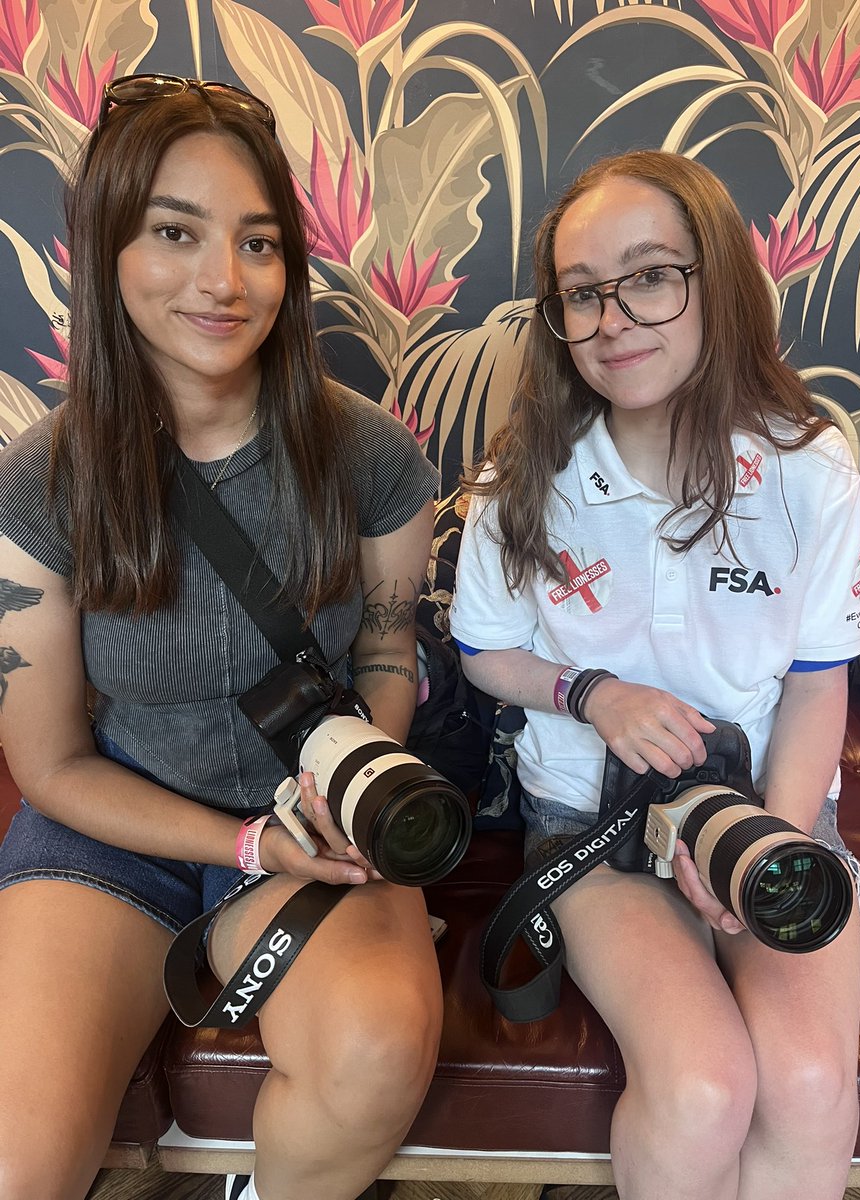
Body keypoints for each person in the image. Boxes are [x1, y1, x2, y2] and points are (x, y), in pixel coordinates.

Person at [0, 76, 442, 1200]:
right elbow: (48, 763)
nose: (223, 281)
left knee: (378, 1048)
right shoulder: (39, 488)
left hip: (315, 812)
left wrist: (349, 788)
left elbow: (389, 657)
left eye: (257, 241)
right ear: (107, 250)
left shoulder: (373, 457)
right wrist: (240, 847)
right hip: (120, 829)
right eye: (175, 233)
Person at [450, 150, 860, 1200]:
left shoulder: (810, 466)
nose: (612, 318)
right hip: (594, 824)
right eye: (581, 293)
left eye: (648, 275)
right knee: (703, 1088)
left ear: (714, 277)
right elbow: (483, 652)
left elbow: (820, 679)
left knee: (811, 1081)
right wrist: (593, 692)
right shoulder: (522, 484)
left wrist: (766, 837)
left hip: (764, 809)